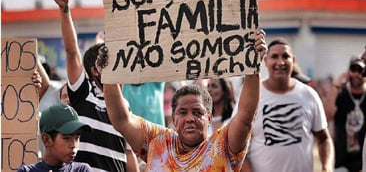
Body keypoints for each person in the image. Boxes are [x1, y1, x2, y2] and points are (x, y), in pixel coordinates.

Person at [102, 30, 266, 171]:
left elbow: (245, 117)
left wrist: (253, 67)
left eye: (197, 112)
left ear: (209, 118)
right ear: (173, 118)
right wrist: (109, 73)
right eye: (182, 112)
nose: (190, 118)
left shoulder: (223, 146)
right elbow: (122, 120)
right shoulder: (157, 142)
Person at [53, 0, 135, 172]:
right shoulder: (83, 93)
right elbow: (72, 52)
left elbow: (127, 154)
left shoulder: (125, 106)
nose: (119, 66)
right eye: (110, 62)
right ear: (95, 70)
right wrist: (65, 10)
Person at [244, 39, 333, 172]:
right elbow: (238, 147)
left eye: (285, 56)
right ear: (265, 61)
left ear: (293, 60)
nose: (280, 62)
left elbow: (324, 138)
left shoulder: (309, 95)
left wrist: (327, 166)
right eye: (274, 56)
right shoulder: (251, 96)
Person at [17, 103, 93, 172]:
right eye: (66, 138)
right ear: (46, 140)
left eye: (77, 138)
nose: (73, 145)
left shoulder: (82, 170)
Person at [333, 59, 366, 172]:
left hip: (361, 162)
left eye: (360, 71)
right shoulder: (341, 93)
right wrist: (337, 83)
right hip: (341, 161)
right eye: (353, 70)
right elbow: (328, 113)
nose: (357, 74)